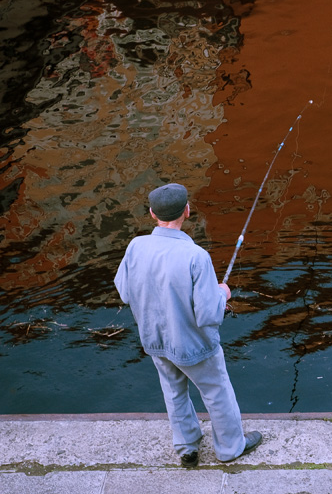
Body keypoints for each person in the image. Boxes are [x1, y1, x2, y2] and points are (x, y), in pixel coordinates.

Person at [114, 183, 262, 467]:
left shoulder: (135, 246)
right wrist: (223, 294)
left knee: (173, 390)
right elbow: (209, 314)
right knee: (217, 392)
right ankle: (230, 448)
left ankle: (186, 447)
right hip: (193, 345)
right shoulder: (196, 256)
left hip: (154, 340)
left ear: (152, 214)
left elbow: (125, 291)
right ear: (187, 211)